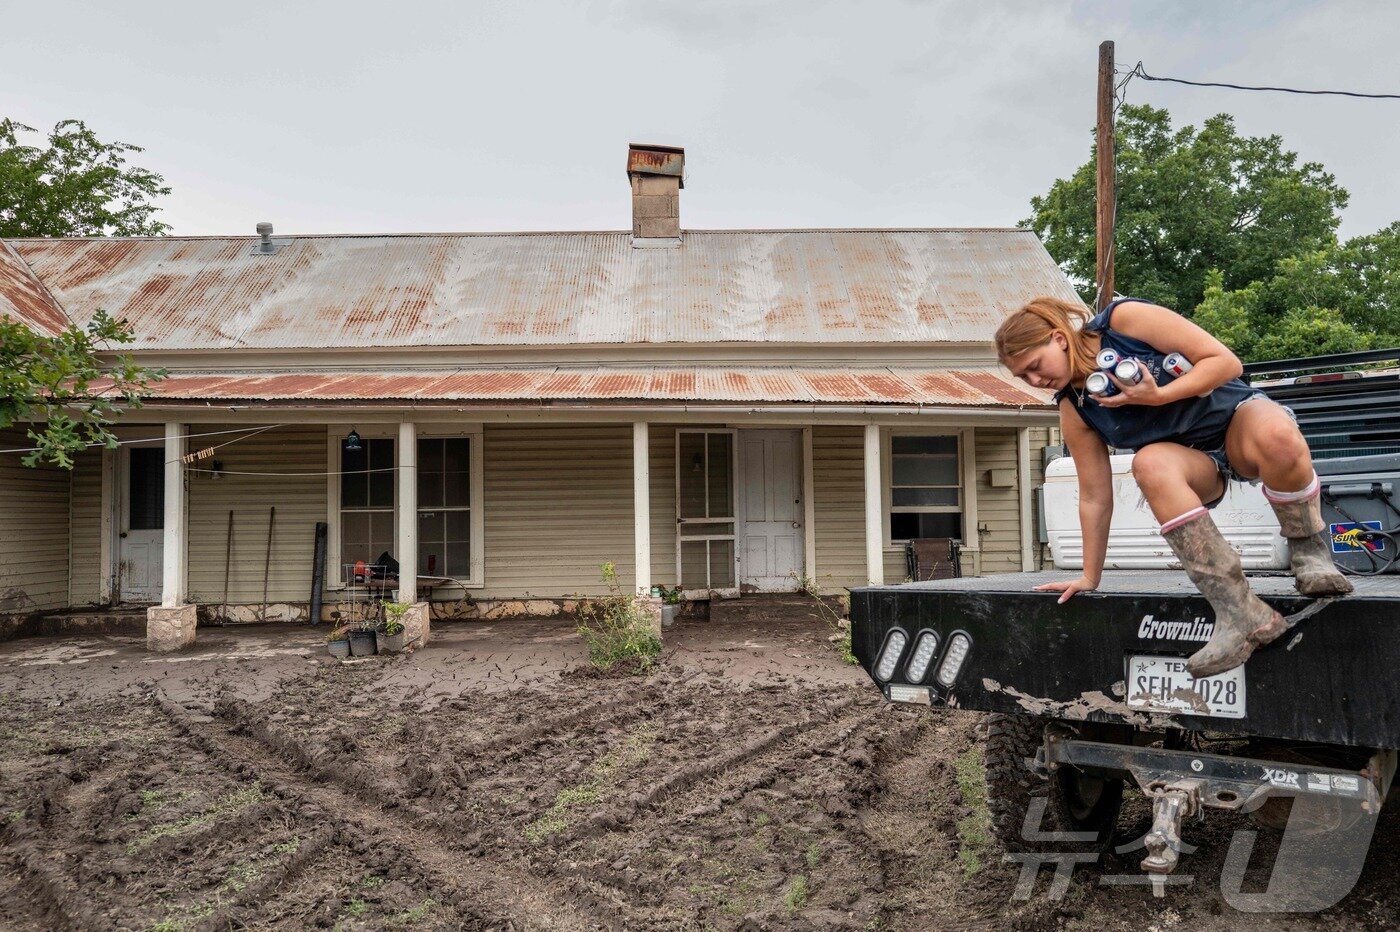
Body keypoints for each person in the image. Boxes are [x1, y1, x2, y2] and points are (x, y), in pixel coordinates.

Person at [994, 295, 1351, 678]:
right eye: (1023, 377)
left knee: (1278, 433)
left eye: (1034, 365)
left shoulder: (1123, 320)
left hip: (1238, 420)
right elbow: (1095, 495)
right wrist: (1089, 576)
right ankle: (1240, 612)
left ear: (1059, 338)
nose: (1035, 380)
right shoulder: (1075, 407)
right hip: (1196, 465)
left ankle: (1308, 550)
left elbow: (1226, 363)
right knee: (1148, 463)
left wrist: (1160, 395)